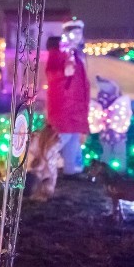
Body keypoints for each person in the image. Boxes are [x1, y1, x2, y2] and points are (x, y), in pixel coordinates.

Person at [45, 20, 91, 177]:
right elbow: (51, 74)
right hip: (63, 107)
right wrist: (64, 73)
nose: (78, 37)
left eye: (80, 33)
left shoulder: (78, 56)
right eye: (75, 33)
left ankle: (69, 175)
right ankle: (41, 173)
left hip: (76, 110)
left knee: (72, 142)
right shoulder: (58, 52)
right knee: (57, 142)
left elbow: (83, 85)